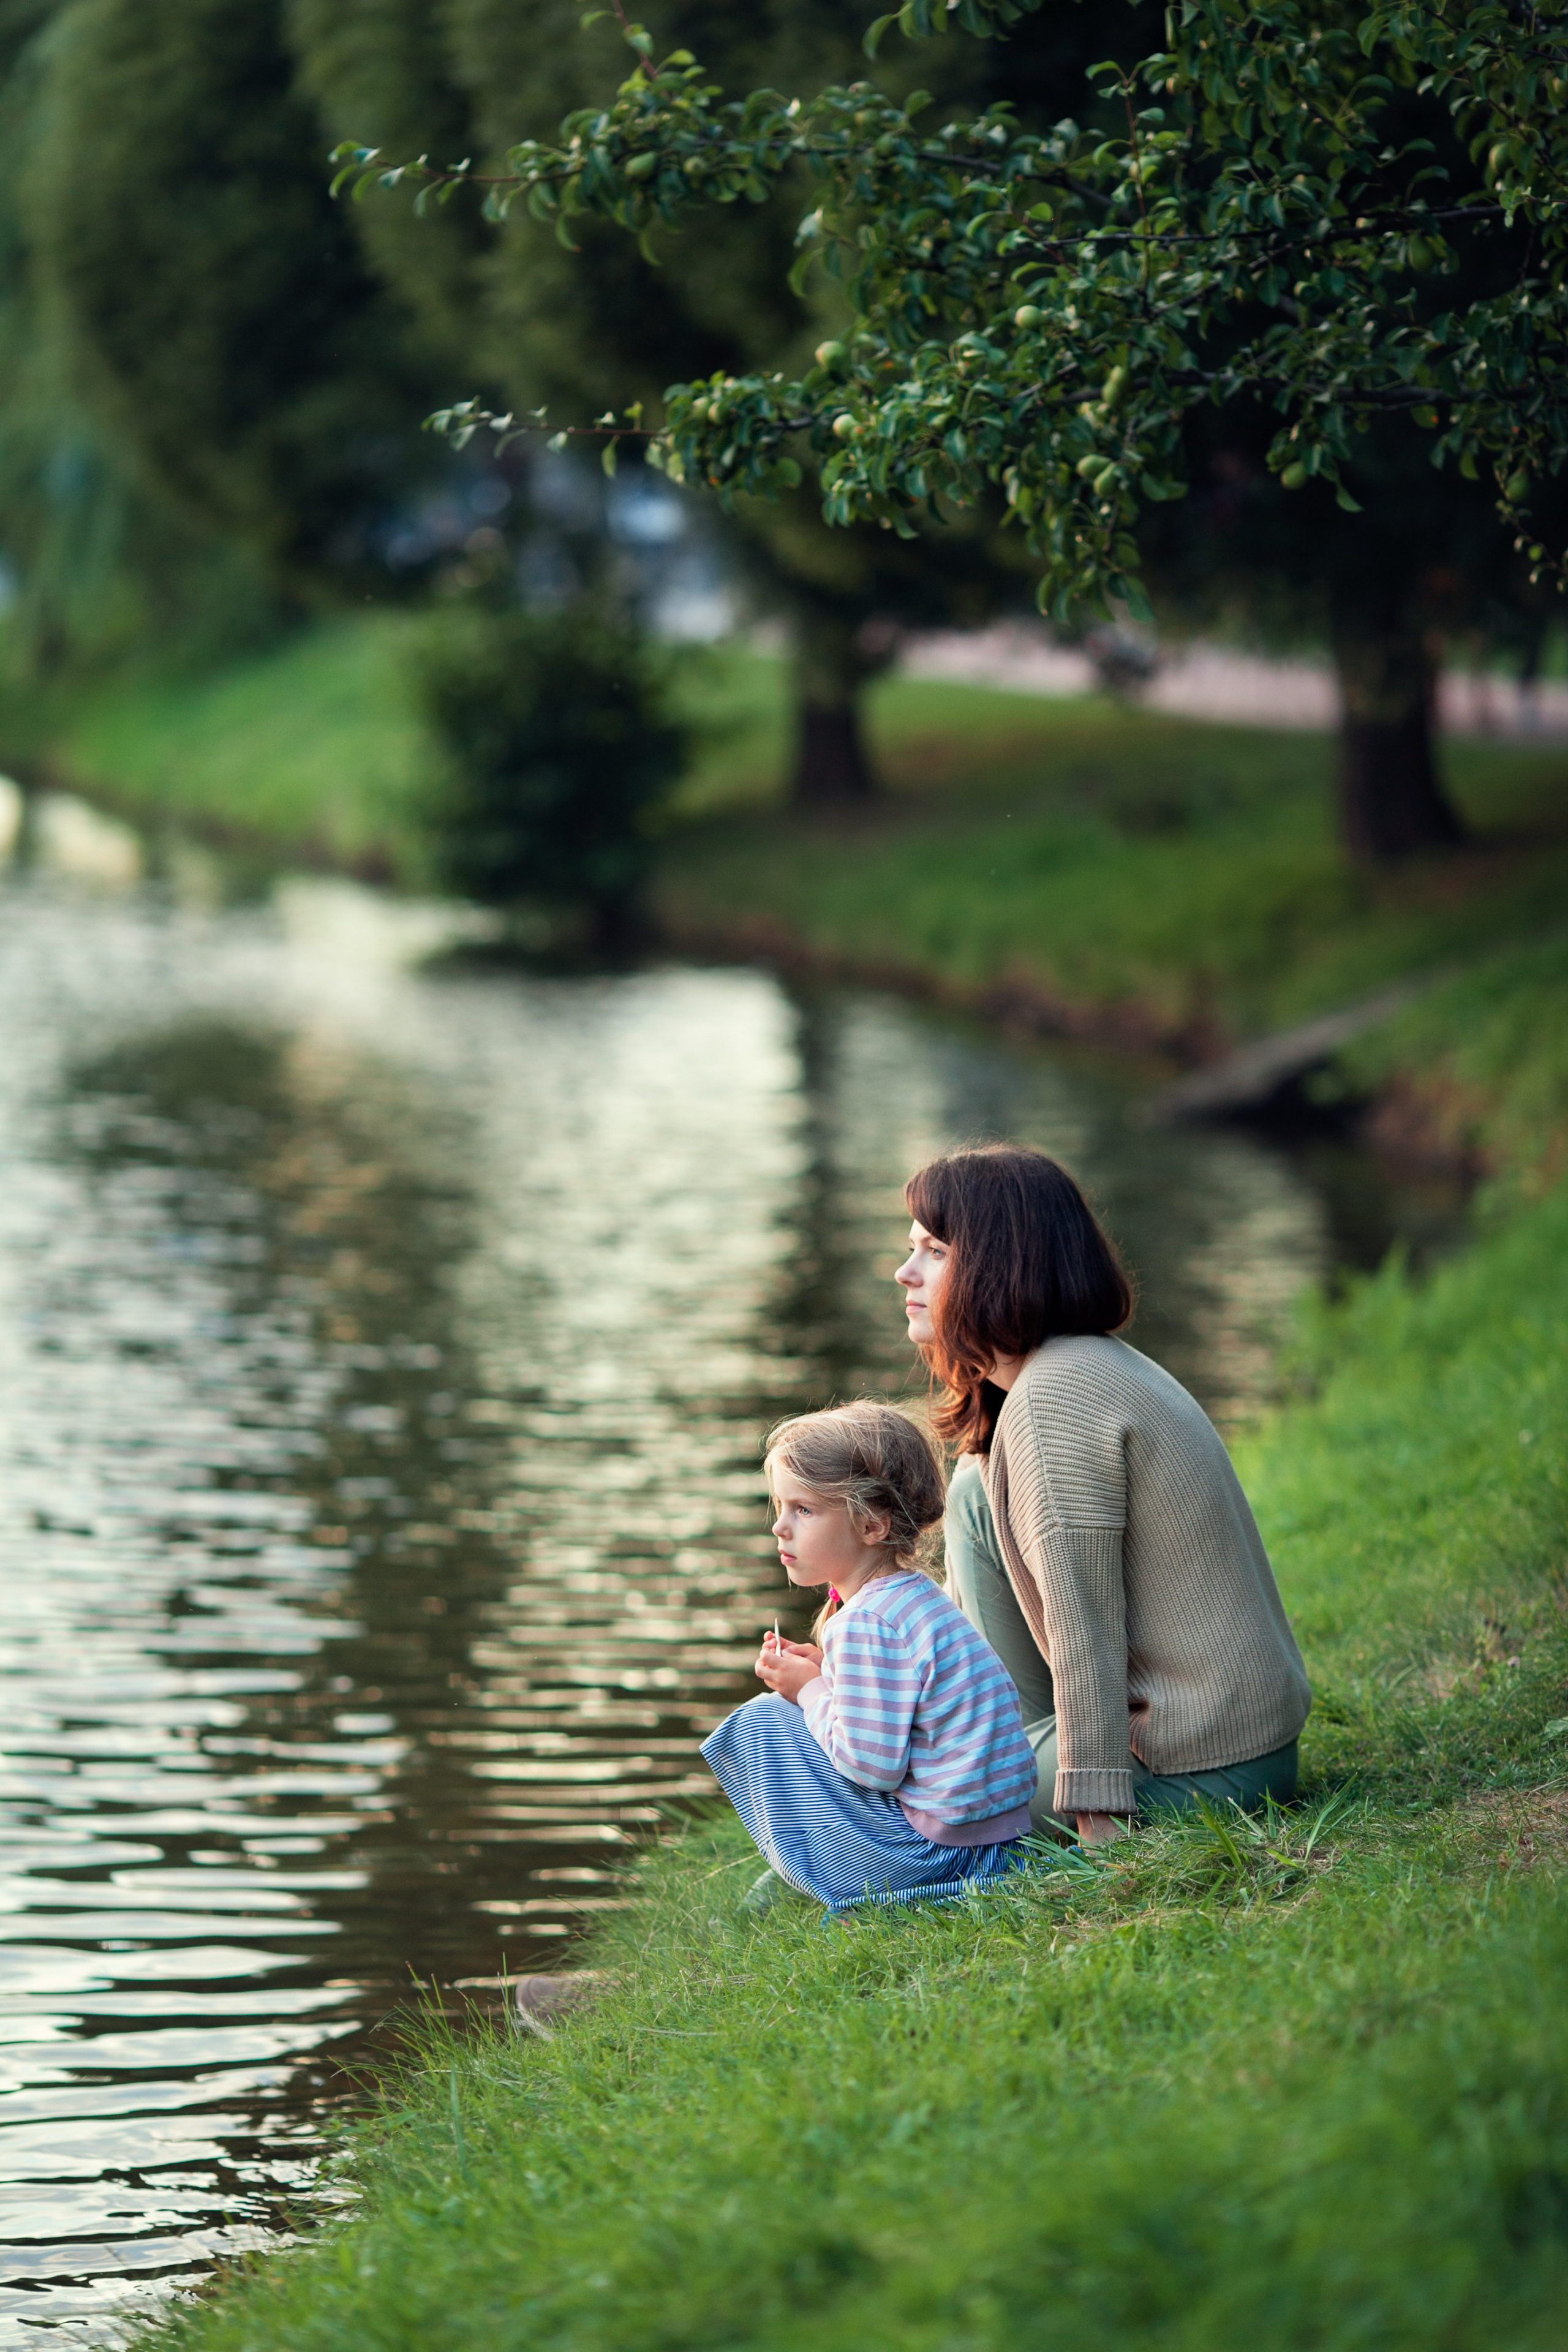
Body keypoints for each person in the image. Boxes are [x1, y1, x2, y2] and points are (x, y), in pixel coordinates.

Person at [895, 1144, 1311, 1849]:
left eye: (933, 1252)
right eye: (912, 1250)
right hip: (1218, 1742)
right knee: (972, 1487)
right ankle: (999, 1750)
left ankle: (811, 1872)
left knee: (899, 1813)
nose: (904, 1272)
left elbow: (1084, 1623)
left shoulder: (1052, 1397)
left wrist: (1095, 1814)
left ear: (999, 1263)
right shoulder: (1078, 1369)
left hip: (1199, 1764)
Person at [700, 1401, 1038, 1913]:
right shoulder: (912, 1596)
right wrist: (827, 1675)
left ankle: (833, 1879)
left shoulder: (866, 1623)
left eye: (805, 1510)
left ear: (873, 1526)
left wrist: (807, 1689)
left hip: (942, 1858)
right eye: (781, 1507)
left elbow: (871, 1767)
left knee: (763, 1720)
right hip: (993, 1843)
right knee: (789, 1713)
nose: (780, 1528)